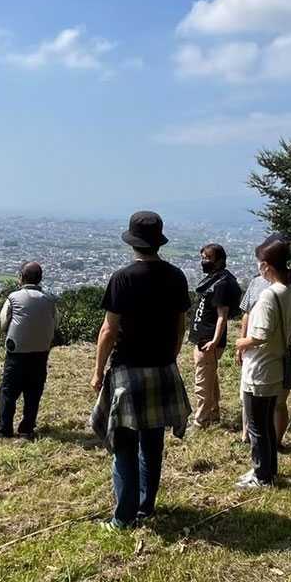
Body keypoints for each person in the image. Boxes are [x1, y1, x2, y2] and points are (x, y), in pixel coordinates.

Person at [90, 211, 191, 529]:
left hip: (128, 371)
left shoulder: (123, 278)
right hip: (162, 369)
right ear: (158, 241)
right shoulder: (176, 276)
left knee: (123, 446)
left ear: (132, 242)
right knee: (152, 444)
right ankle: (147, 505)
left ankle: (123, 517)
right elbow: (180, 322)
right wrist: (172, 352)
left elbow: (109, 330)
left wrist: (97, 370)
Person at [239, 232, 291, 448]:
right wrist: (242, 343)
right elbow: (246, 312)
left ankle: (274, 443)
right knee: (248, 397)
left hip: (279, 352)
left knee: (278, 402)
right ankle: (247, 437)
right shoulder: (256, 283)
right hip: (253, 353)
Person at [234, 239, 291, 488]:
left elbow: (259, 335)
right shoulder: (290, 291)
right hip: (275, 366)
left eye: (261, 264)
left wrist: (241, 343)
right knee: (267, 425)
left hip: (260, 370)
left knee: (257, 426)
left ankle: (262, 476)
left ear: (267, 266)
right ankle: (266, 470)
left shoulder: (268, 296)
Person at [0, 261, 58, 439]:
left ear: (21, 277)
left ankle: (4, 430)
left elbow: (1, 324)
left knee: (8, 392)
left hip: (17, 354)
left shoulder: (13, 298)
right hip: (41, 354)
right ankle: (26, 429)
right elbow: (55, 323)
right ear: (40, 279)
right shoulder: (49, 300)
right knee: (33, 392)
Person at [188, 243, 242, 428]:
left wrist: (214, 340)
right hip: (203, 337)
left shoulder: (221, 284)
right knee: (210, 376)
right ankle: (213, 412)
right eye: (203, 257)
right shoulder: (215, 279)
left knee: (202, 381)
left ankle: (200, 420)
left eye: (208, 258)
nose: (204, 261)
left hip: (208, 340)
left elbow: (222, 316)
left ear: (220, 260)